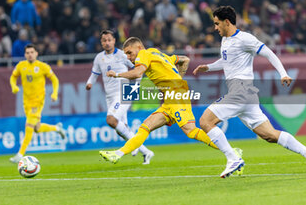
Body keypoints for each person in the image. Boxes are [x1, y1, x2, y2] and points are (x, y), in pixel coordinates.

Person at [193, 6, 306, 177]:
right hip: (246, 95)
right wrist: (208, 67)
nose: (215, 28)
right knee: (269, 135)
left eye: (217, 24)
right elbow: (227, 61)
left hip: (241, 91)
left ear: (227, 22)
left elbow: (269, 53)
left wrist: (283, 73)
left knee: (205, 121)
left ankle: (233, 158)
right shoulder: (225, 40)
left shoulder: (245, 38)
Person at [99, 37, 243, 176]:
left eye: (130, 52)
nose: (129, 57)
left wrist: (116, 74)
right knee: (145, 126)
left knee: (191, 131)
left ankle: (232, 152)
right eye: (126, 54)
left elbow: (137, 73)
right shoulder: (158, 54)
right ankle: (117, 154)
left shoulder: (143, 54)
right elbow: (184, 60)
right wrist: (179, 78)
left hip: (176, 95)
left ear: (139, 47)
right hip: (170, 99)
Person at [86, 30, 154, 164]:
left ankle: (133, 147)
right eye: (104, 40)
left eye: (109, 40)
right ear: (101, 42)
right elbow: (94, 74)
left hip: (124, 92)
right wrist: (89, 83)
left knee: (111, 120)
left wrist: (135, 87)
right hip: (110, 96)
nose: (107, 42)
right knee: (120, 128)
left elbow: (138, 70)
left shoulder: (124, 55)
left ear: (114, 41)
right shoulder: (99, 58)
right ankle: (146, 152)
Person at [9, 44, 66, 163]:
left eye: (32, 52)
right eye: (28, 53)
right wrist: (14, 86)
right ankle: (57, 128)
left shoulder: (42, 66)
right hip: (26, 102)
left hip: (38, 101)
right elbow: (13, 77)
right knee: (36, 128)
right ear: (25, 55)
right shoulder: (21, 66)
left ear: (36, 53)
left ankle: (20, 154)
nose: (30, 54)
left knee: (28, 125)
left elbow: (55, 79)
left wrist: (55, 93)